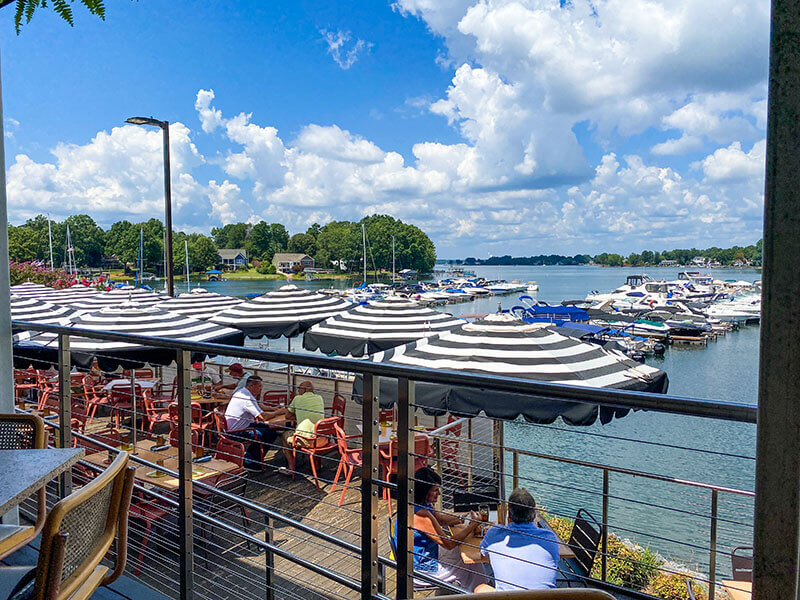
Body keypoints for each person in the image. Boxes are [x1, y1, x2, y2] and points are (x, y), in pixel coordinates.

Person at [395, 466, 488, 591]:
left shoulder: (418, 504)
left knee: (468, 559)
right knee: (471, 562)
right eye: (435, 490)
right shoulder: (421, 515)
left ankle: (480, 590)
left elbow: (442, 520)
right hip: (421, 570)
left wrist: (464, 518)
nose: (439, 493)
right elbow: (448, 544)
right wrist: (472, 526)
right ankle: (483, 590)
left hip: (420, 557)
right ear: (424, 491)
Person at [476, 487, 560, 592]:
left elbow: (483, 555)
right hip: (544, 597)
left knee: (480, 589)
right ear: (534, 514)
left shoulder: (495, 533)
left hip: (510, 597)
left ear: (509, 514)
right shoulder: (550, 537)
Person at [224, 375, 284, 470]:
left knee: (268, 428)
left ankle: (252, 457)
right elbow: (263, 417)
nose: (261, 389)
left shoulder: (242, 392)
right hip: (236, 431)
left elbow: (258, 405)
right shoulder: (246, 398)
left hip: (234, 427)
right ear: (252, 385)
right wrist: (278, 412)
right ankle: (250, 462)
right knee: (270, 434)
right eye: (259, 386)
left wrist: (273, 408)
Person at [281, 381, 325, 466]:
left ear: (305, 389)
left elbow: (287, 416)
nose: (298, 390)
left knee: (284, 436)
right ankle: (316, 464)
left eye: (299, 388)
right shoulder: (319, 398)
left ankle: (291, 467)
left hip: (306, 441)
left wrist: (297, 415)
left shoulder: (298, 399)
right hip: (322, 439)